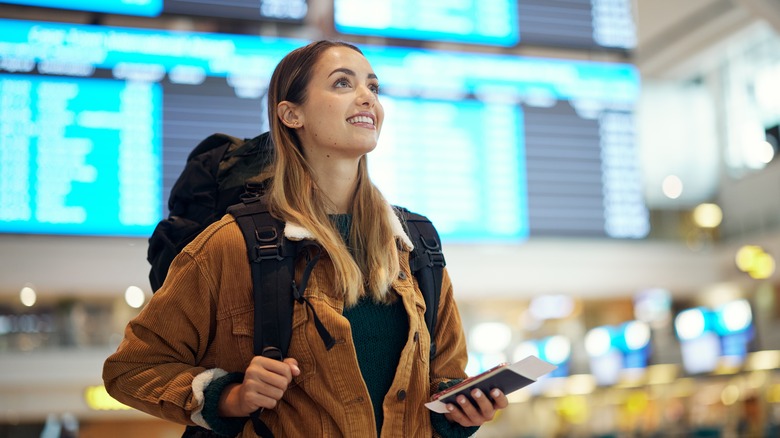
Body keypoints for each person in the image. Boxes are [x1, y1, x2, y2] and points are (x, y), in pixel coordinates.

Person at [103, 40, 509, 437]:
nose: (367, 97)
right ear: (291, 114)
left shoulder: (415, 245)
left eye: (373, 86)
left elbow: (445, 377)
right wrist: (229, 397)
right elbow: (133, 368)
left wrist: (457, 411)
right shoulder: (231, 244)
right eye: (342, 84)